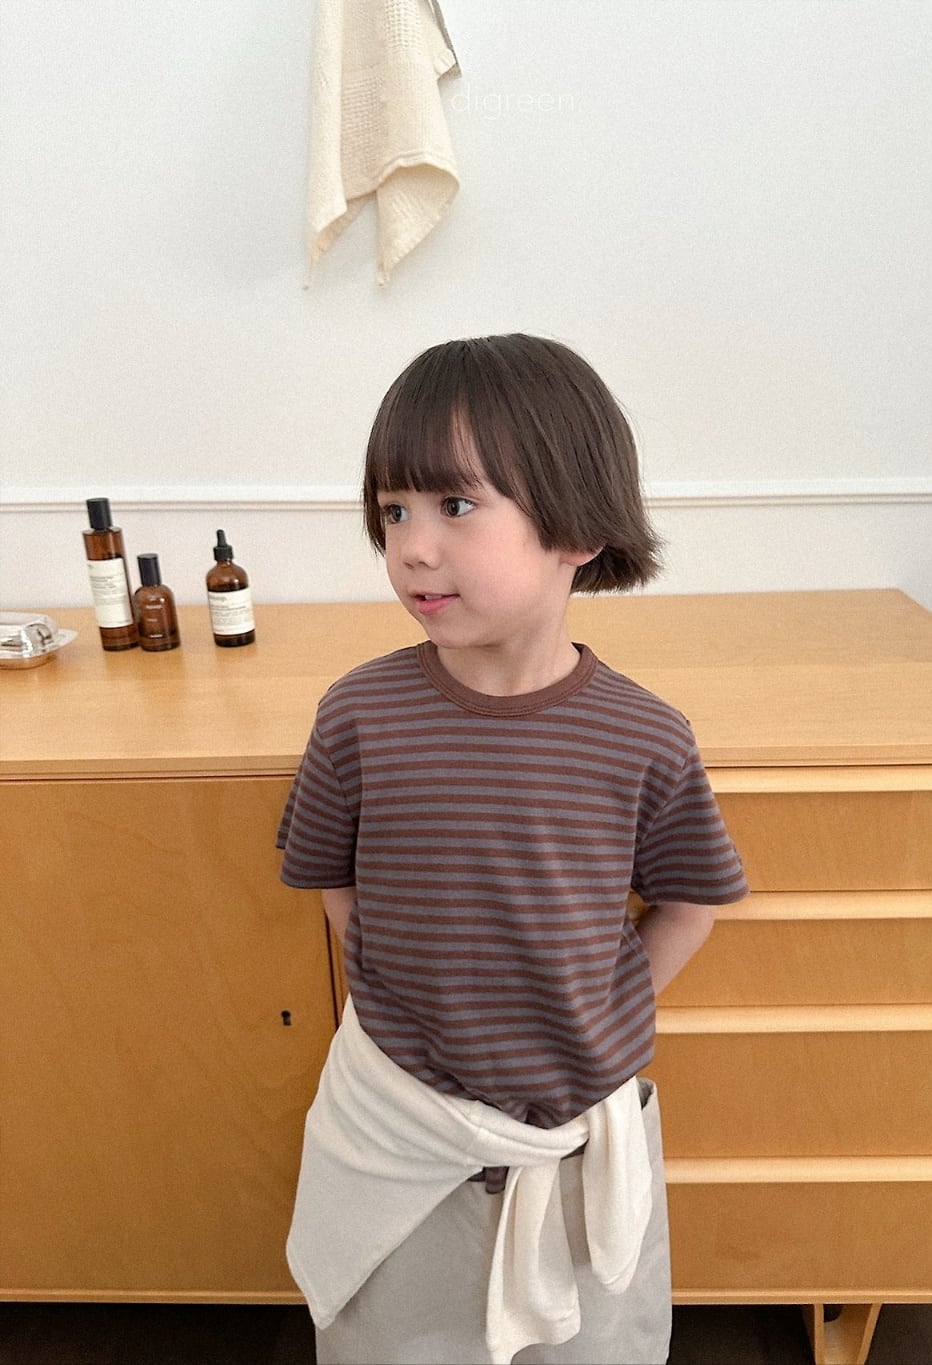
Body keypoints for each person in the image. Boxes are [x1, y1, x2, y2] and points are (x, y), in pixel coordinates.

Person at [276, 334, 749, 1365]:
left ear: (576, 527)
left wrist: (606, 1008)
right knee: (390, 1338)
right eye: (393, 511)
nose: (412, 546)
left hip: (572, 1134)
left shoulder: (642, 735)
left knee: (585, 1340)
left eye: (455, 505)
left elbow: (690, 900)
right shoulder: (359, 715)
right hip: (396, 1117)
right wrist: (403, 998)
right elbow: (332, 879)